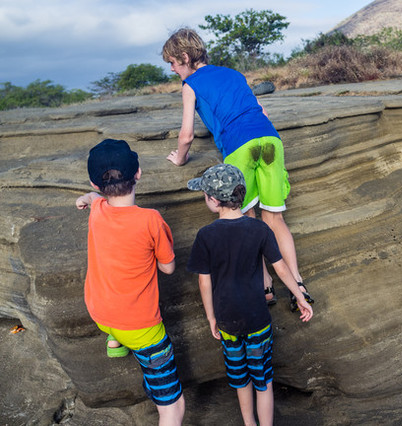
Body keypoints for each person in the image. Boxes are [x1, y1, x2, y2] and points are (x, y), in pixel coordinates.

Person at [161, 27, 314, 311]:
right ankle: (298, 284)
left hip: (239, 147)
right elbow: (263, 111)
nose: (171, 69)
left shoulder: (190, 84)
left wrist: (180, 159)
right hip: (269, 142)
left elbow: (186, 135)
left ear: (184, 56)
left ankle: (265, 286)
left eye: (172, 62)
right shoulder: (233, 74)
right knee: (275, 218)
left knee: (247, 219)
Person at [186, 164, 313, 426]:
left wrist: (211, 317)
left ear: (213, 200)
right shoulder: (259, 230)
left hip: (227, 321)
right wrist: (300, 296)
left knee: (241, 380)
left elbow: (204, 281)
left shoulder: (206, 236)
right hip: (257, 320)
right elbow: (280, 267)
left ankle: (249, 424)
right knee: (264, 381)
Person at [75, 139, 185, 426]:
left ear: (95, 183)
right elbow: (169, 267)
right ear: (138, 174)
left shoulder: (97, 210)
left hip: (99, 313)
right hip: (141, 329)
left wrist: (83, 199)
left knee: (115, 321)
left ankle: (115, 341)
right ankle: (126, 342)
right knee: (173, 407)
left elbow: (91, 197)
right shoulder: (150, 220)